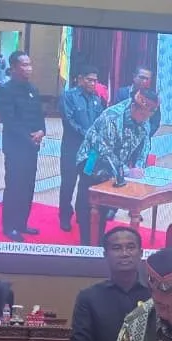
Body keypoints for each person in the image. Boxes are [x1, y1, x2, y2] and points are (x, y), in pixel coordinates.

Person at [74, 88, 160, 246]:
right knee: (88, 203)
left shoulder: (145, 119)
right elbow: (105, 151)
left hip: (115, 166)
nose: (145, 119)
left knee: (103, 206)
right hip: (92, 159)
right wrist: (127, 171)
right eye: (143, 115)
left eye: (148, 116)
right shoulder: (112, 117)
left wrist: (139, 168)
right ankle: (87, 245)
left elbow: (144, 146)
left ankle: (98, 241)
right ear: (134, 107)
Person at [0, 51, 44, 243]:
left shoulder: (33, 89)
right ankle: (10, 227)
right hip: (16, 147)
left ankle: (22, 223)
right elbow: (9, 120)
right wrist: (29, 137)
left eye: (29, 64)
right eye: (24, 65)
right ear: (14, 68)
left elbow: (39, 114)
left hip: (32, 147)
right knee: (14, 186)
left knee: (28, 186)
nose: (28, 68)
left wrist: (41, 131)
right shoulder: (5, 90)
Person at [59, 64, 106, 232]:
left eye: (95, 80)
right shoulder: (68, 96)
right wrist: (88, 134)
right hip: (72, 148)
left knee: (86, 182)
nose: (93, 83)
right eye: (89, 80)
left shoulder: (97, 99)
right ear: (80, 79)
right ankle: (64, 216)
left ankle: (82, 214)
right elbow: (68, 121)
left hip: (91, 151)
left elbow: (101, 121)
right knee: (68, 183)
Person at [114, 66, 162, 137]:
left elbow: (155, 122)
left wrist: (144, 134)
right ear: (134, 77)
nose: (144, 81)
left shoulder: (152, 98)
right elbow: (116, 115)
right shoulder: (122, 93)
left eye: (147, 79)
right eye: (142, 77)